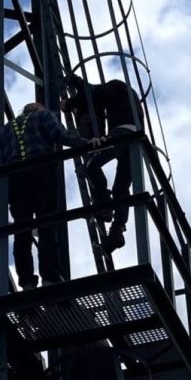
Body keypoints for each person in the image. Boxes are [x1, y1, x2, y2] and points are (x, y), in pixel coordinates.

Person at [0, 102, 100, 290]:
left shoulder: (7, 128)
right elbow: (61, 135)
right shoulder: (44, 116)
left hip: (16, 178)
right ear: (38, 108)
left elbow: (2, 157)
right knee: (46, 226)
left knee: (22, 230)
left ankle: (27, 282)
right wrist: (87, 142)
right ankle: (50, 278)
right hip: (41, 171)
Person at [62, 74, 145, 253]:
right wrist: (77, 82)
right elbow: (93, 91)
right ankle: (117, 231)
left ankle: (104, 206)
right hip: (135, 141)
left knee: (90, 166)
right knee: (121, 190)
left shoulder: (115, 86)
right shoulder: (126, 94)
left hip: (122, 133)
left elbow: (94, 94)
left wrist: (69, 104)